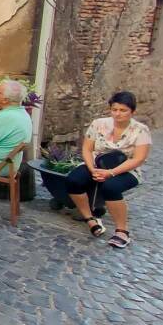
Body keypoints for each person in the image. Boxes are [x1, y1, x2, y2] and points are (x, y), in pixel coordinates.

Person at [67, 91, 151, 249]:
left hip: (126, 168)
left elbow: (138, 158)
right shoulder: (98, 123)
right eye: (114, 109)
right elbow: (87, 148)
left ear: (132, 111)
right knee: (73, 180)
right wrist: (92, 169)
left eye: (123, 110)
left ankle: (122, 231)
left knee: (111, 187)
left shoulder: (141, 130)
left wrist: (111, 173)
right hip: (97, 163)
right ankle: (89, 219)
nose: (118, 114)